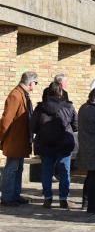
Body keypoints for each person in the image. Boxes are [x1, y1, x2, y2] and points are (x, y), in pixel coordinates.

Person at [32, 82, 78, 209]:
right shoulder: (69, 107)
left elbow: (33, 127)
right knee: (64, 171)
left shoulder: (40, 108)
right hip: (64, 144)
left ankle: (47, 199)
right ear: (61, 92)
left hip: (45, 144)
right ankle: (63, 199)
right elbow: (76, 125)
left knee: (46, 172)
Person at [0, 72, 37, 207]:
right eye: (35, 82)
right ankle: (7, 197)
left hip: (21, 139)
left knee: (18, 168)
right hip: (14, 139)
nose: (35, 85)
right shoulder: (15, 95)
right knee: (11, 169)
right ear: (30, 82)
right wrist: (1, 137)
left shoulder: (23, 94)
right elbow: (6, 119)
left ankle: (15, 195)